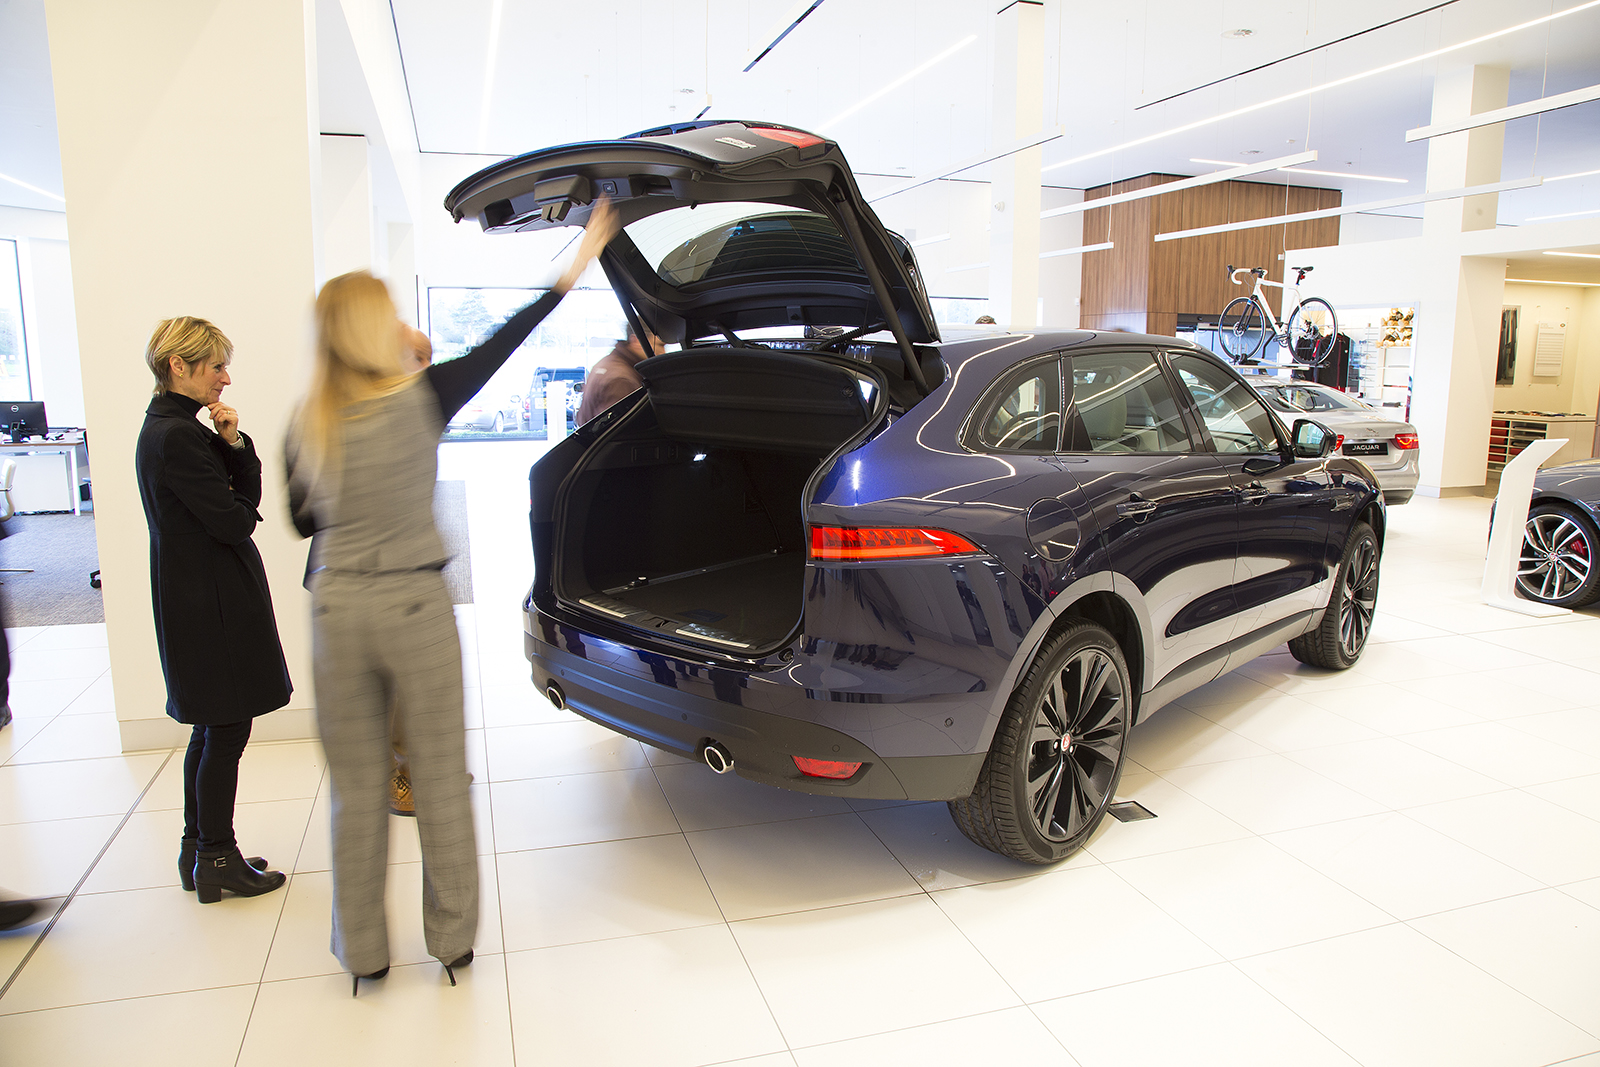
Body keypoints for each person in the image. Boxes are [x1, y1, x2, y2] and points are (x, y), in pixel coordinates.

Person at [286, 201, 618, 995]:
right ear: (375, 328)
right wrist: (577, 261)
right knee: (437, 778)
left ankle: (362, 951)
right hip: (412, 607)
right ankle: (451, 941)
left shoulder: (308, 420)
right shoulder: (423, 397)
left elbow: (303, 520)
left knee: (357, 791)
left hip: (336, 608)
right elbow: (507, 338)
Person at [136, 317, 291, 904]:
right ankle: (216, 857)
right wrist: (236, 490)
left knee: (212, 728)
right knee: (226, 729)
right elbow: (233, 517)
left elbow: (232, 499)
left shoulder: (173, 428)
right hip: (212, 599)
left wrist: (231, 443)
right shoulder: (176, 435)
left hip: (197, 592)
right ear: (180, 365)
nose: (225, 379)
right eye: (216, 367)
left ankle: (199, 849)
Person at [386, 325, 433, 819]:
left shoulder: (407, 409)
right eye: (417, 358)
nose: (425, 369)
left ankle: (418, 768)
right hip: (368, 577)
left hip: (402, 571)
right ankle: (397, 780)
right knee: (389, 689)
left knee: (409, 684)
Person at [574, 325, 663, 427]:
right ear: (636, 340)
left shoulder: (607, 364)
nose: (663, 352)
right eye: (660, 345)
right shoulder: (622, 380)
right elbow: (621, 433)